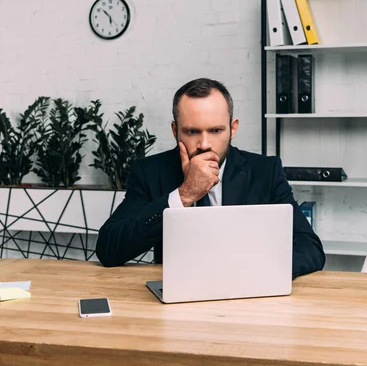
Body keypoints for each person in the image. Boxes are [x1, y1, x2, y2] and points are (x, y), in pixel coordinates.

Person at [96, 78, 325, 278]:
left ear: (232, 129)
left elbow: (310, 248)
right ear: (175, 130)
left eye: (215, 131)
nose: (204, 144)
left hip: (247, 293)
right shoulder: (150, 172)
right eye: (192, 131)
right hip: (177, 295)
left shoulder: (265, 171)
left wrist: (249, 271)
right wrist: (184, 195)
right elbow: (109, 248)